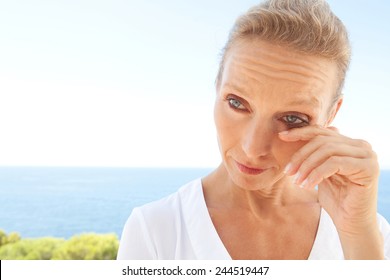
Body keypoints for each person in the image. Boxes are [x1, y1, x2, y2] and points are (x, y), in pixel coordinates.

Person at [117, 0, 390, 259]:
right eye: (237, 103)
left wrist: (358, 235)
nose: (252, 148)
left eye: (293, 118)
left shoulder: (368, 233)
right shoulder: (155, 231)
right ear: (217, 87)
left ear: (332, 114)